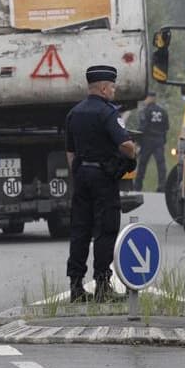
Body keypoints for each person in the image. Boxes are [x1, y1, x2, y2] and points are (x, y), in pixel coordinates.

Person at [64, 65, 137, 302]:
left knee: (80, 230)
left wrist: (79, 174)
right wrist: (132, 153)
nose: (114, 91)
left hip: (82, 177)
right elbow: (125, 145)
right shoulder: (108, 113)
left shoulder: (74, 113)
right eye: (113, 87)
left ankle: (76, 287)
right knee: (105, 230)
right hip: (103, 179)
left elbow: (70, 153)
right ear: (104, 88)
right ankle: (103, 285)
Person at [134, 91, 169, 192]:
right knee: (161, 165)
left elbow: (142, 128)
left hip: (147, 141)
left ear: (149, 98)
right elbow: (166, 127)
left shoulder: (145, 111)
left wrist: (137, 141)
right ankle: (162, 186)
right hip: (159, 141)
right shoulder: (163, 111)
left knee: (142, 164)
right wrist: (163, 141)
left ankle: (137, 186)